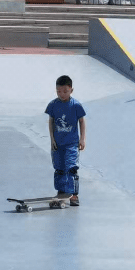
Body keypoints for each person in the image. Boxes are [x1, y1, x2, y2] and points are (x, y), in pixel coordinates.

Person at [45, 75, 86, 207]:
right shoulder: (53, 105)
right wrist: (52, 139)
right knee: (59, 168)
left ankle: (73, 195)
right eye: (58, 91)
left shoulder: (76, 105)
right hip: (57, 144)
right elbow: (51, 122)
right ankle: (61, 192)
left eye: (65, 91)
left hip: (72, 144)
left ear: (71, 90)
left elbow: (82, 121)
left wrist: (82, 139)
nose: (61, 94)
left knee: (71, 168)